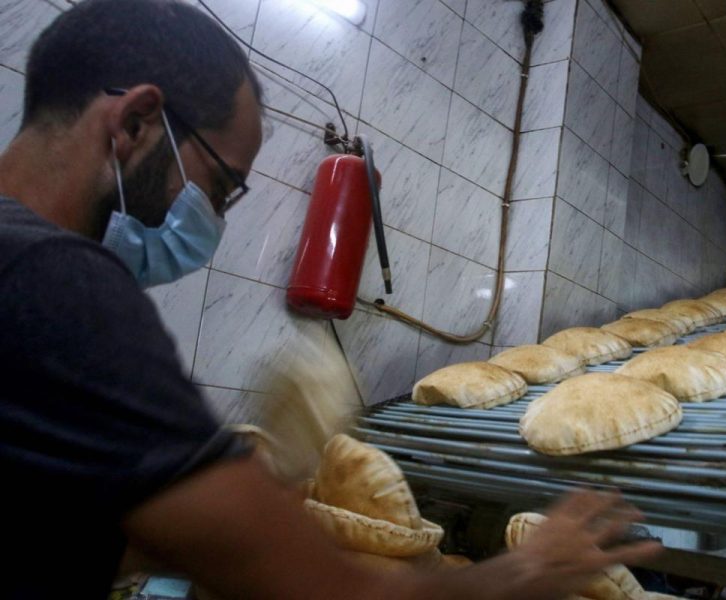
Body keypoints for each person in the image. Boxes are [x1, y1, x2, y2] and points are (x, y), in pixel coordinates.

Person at [0, 0, 661, 598]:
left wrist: (239, 523)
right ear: (135, 122)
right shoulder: (61, 285)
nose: (215, 223)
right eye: (221, 188)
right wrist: (528, 569)